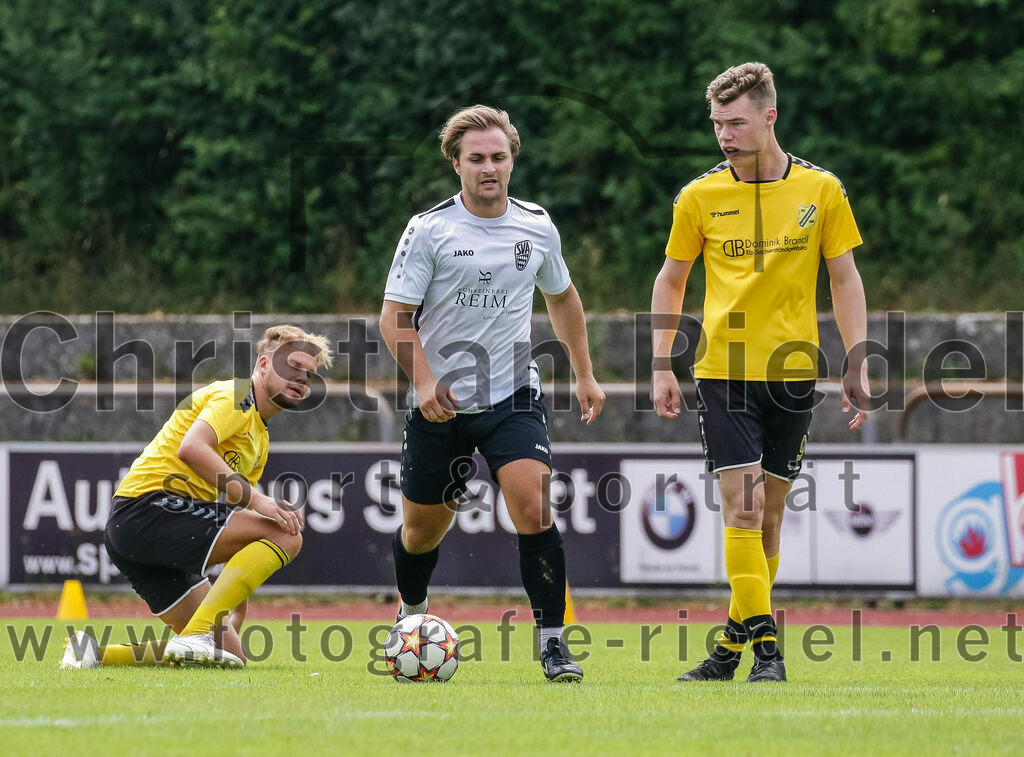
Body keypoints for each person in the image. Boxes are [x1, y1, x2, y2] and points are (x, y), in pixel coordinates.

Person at [650, 62, 869, 683]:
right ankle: (768, 652)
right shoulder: (699, 196)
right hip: (723, 373)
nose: (724, 134)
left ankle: (726, 651)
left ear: (769, 117)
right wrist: (662, 362)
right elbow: (671, 280)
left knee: (768, 519)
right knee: (742, 511)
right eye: (717, 123)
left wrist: (857, 356)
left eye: (736, 122)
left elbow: (845, 278)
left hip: (794, 374)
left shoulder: (822, 190)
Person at [379, 105, 605, 682]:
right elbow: (394, 318)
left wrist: (583, 372)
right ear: (455, 163)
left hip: (513, 396)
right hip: (440, 405)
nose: (489, 167)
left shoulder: (536, 224)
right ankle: (411, 615)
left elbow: (563, 298)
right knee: (421, 531)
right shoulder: (428, 229)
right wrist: (424, 381)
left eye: (498, 157)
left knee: (532, 507)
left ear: (512, 159)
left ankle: (554, 645)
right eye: (476, 158)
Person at [60, 325, 334, 669]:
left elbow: (229, 518)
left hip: (138, 531)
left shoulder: (259, 439)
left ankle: (94, 655)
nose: (302, 379)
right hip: (146, 508)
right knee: (286, 534)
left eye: (309, 374)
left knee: (231, 655)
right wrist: (261, 501)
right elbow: (192, 449)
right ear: (264, 365)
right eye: (293, 366)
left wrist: (236, 593)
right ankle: (197, 633)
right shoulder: (237, 395)